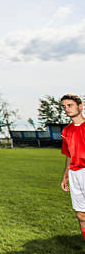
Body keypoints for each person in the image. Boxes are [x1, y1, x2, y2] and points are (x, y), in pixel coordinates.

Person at [60, 94, 85, 241]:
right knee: (81, 214)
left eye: (70, 105)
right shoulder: (66, 131)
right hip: (75, 174)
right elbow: (68, 154)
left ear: (80, 106)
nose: (66, 109)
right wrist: (65, 176)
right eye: (64, 106)